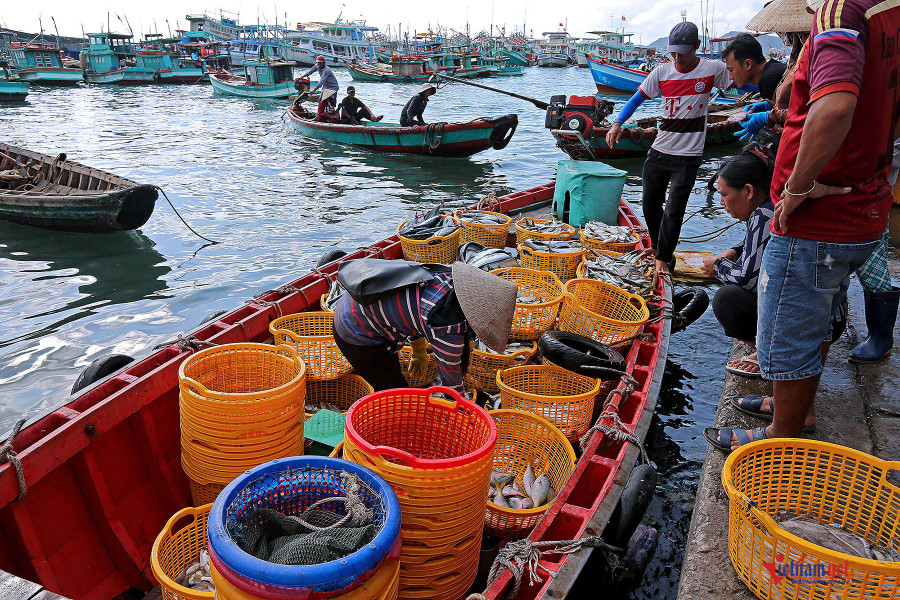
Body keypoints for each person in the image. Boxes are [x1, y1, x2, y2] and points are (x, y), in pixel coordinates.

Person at [705, 0, 900, 452]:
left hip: (819, 217)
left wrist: (797, 186)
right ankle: (790, 405)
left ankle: (784, 431)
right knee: (820, 313)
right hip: (863, 207)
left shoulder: (840, 12)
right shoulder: (888, 13)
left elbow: (833, 108)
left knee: (789, 324)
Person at [605, 21, 731, 274]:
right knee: (650, 203)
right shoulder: (661, 73)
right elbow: (637, 98)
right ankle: (662, 247)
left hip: (689, 155)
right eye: (674, 53)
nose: (678, 59)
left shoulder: (713, 69)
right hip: (660, 149)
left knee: (675, 207)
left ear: (697, 46)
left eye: (683, 53)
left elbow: (741, 81)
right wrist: (617, 123)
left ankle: (663, 257)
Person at [332, 261, 517, 395]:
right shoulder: (447, 325)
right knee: (397, 394)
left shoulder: (445, 275)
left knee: (392, 376)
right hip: (354, 329)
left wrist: (418, 348)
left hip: (360, 304)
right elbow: (452, 388)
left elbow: (412, 308)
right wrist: (464, 410)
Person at [704, 146, 777, 378]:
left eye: (725, 195)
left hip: (797, 312)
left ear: (748, 191)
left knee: (727, 300)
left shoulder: (763, 215)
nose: (723, 203)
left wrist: (717, 266)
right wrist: (735, 251)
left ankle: (769, 354)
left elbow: (747, 279)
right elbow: (752, 244)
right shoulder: (770, 205)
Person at [722, 33, 787, 141]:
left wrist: (766, 118)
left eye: (731, 70)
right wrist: (769, 105)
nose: (730, 77)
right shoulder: (774, 70)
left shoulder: (769, 80)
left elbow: (789, 119)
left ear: (747, 64)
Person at [300, 56, 340, 120]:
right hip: (326, 86)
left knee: (332, 103)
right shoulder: (317, 66)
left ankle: (333, 115)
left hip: (333, 88)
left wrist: (313, 90)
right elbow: (310, 71)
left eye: (320, 63)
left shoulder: (326, 70)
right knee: (320, 101)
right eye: (318, 63)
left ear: (324, 63)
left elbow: (321, 81)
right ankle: (319, 115)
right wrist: (301, 77)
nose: (319, 64)